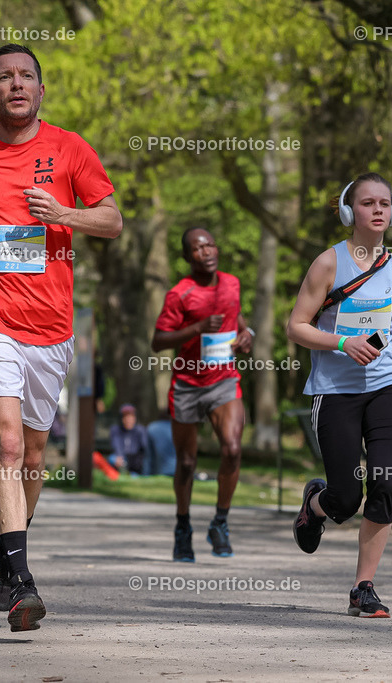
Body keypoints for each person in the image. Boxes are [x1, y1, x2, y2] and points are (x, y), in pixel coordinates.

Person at [0, 43, 122, 632]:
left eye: (26, 77)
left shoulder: (69, 148)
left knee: (36, 456)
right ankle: (23, 584)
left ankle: (4, 561)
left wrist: (64, 216)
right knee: (9, 445)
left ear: (41, 91)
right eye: (4, 78)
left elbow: (113, 220)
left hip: (51, 326)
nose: (16, 85)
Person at [286, 172, 392, 618]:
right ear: (350, 211)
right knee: (346, 498)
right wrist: (343, 343)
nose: (378, 210)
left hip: (386, 385)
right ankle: (315, 505)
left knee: (385, 484)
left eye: (384, 203)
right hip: (335, 390)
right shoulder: (328, 264)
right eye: (367, 203)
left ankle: (363, 588)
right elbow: (297, 327)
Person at [152, 228, 253, 561]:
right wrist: (196, 329)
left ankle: (220, 522)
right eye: (197, 248)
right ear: (187, 257)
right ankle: (183, 527)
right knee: (186, 461)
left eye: (210, 244)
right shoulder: (180, 294)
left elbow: (235, 316)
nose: (206, 251)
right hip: (188, 384)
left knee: (233, 448)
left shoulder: (231, 283)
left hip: (224, 378)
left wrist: (246, 334)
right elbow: (158, 341)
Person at [108, 404, 150, 474]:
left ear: (135, 419)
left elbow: (144, 448)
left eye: (131, 418)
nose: (128, 420)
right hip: (122, 459)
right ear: (121, 419)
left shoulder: (140, 430)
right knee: (112, 458)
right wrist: (119, 456)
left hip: (136, 461)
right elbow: (116, 444)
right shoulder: (116, 430)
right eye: (125, 418)